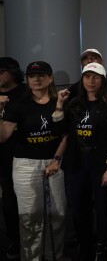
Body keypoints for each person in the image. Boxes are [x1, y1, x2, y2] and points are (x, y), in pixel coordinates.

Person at [0, 61, 69, 260]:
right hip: (25, 164)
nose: (37, 79)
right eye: (32, 76)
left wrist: (56, 159)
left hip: (54, 161)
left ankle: (55, 255)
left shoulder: (60, 100)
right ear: (27, 79)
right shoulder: (19, 103)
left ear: (50, 78)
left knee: (59, 214)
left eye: (41, 75)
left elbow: (66, 135)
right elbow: (3, 136)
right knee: (30, 217)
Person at [64, 62, 107, 260]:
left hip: (99, 163)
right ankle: (84, 243)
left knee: (103, 207)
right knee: (79, 207)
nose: (91, 81)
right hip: (76, 162)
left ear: (103, 80)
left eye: (96, 77)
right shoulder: (73, 104)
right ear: (82, 79)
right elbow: (63, 132)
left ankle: (101, 245)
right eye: (87, 77)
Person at [0, 57, 26, 259]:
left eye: (2, 71)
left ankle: (27, 239)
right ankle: (13, 239)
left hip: (23, 152)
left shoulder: (25, 93)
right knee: (8, 198)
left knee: (25, 199)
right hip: (3, 154)